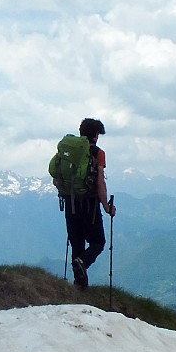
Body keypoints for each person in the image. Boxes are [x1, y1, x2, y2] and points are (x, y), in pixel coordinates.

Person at [65, 117, 116, 288]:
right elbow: (100, 182)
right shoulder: (98, 153)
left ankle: (79, 286)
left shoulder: (71, 151)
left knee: (77, 243)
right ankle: (82, 262)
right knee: (98, 242)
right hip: (89, 205)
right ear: (95, 135)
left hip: (70, 203)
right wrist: (107, 207)